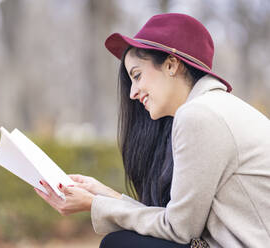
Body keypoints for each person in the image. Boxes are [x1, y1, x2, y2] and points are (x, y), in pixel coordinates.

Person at [34, 13, 270, 248]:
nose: (132, 93)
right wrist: (102, 194)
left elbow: (179, 230)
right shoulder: (214, 107)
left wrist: (93, 204)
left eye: (137, 76)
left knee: (119, 244)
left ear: (171, 64)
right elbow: (178, 221)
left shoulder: (199, 115)